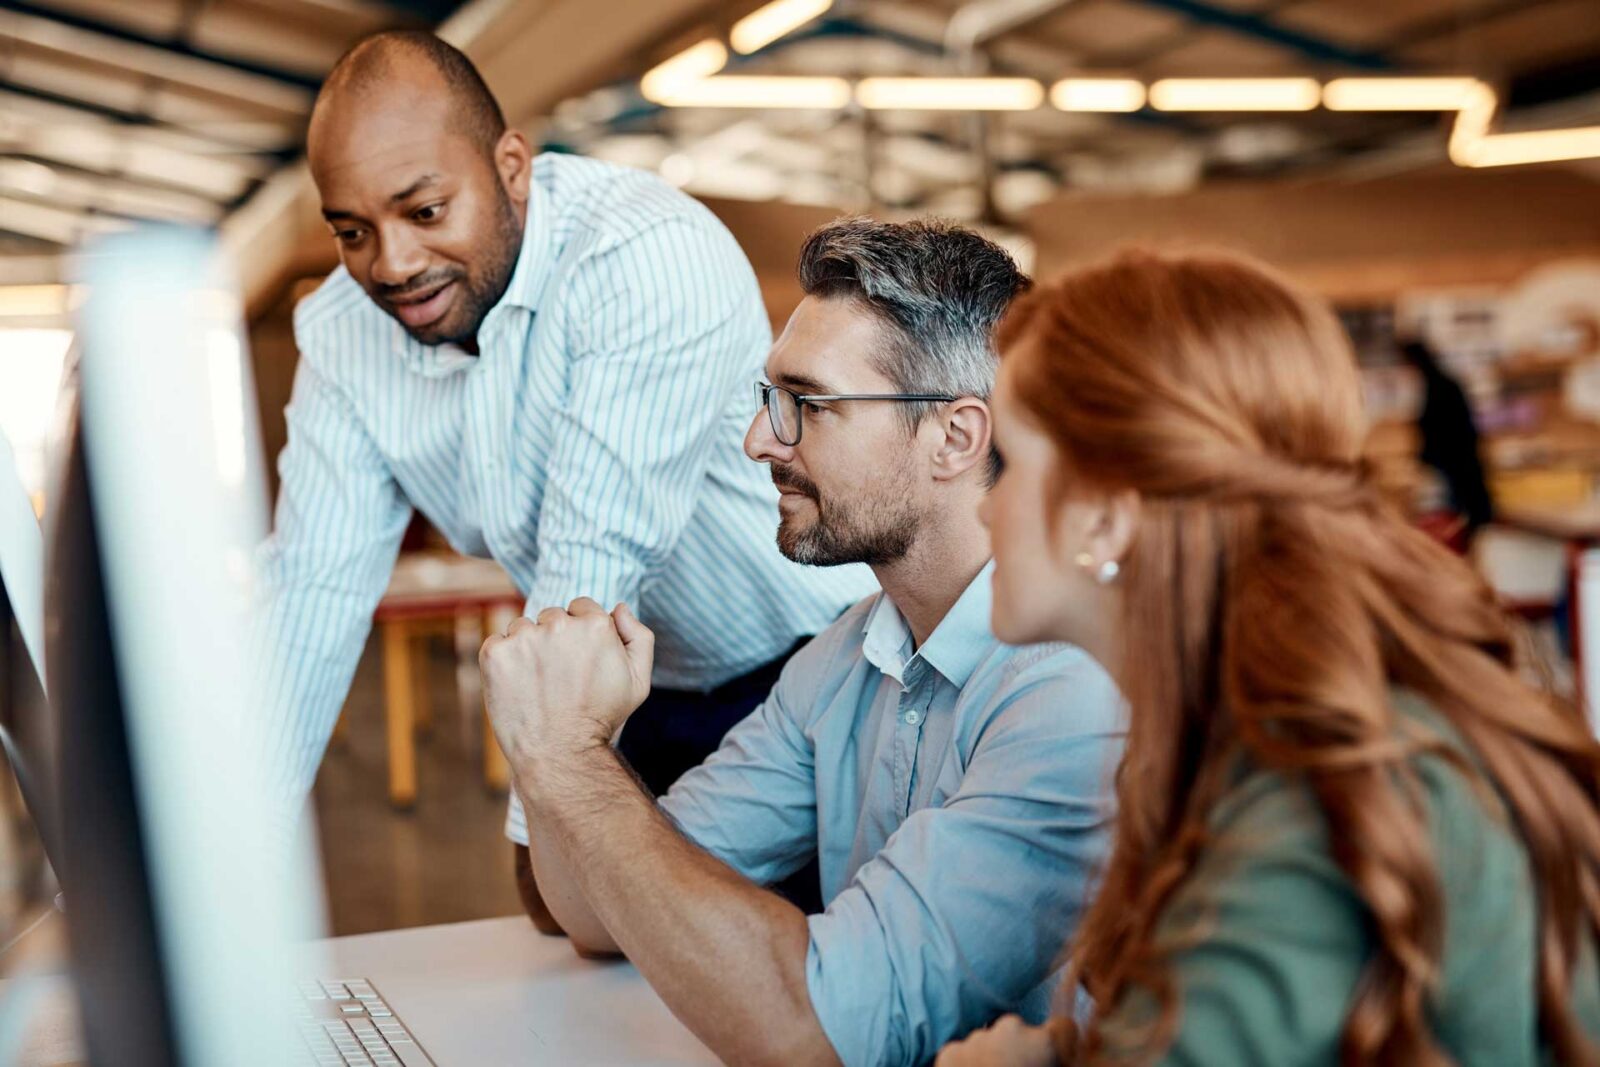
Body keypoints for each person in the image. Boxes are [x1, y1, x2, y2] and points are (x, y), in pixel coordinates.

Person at [479, 218, 1124, 1066]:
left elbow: (817, 1031)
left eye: (808, 405)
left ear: (956, 438)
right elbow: (596, 916)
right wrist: (557, 740)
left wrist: (569, 759)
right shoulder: (842, 661)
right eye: (768, 400)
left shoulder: (1072, 692)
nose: (761, 441)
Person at [937, 249, 1600, 1065]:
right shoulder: (1299, 736)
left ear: (1105, 518)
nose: (983, 501)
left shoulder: (1313, 809)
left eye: (1006, 462)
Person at [252, 30, 871, 897]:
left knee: (798, 980)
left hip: (809, 670)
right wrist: (210, 864)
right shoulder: (341, 334)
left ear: (511, 166)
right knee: (627, 993)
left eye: (426, 211)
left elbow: (591, 560)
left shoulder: (642, 254)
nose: (390, 264)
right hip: (638, 692)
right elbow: (310, 595)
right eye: (353, 232)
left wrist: (541, 834)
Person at [1400, 338, 1494, 547]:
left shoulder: (1437, 386)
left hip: (1453, 458)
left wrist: (1425, 455)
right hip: (1458, 456)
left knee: (1458, 512)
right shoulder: (1443, 382)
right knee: (1462, 509)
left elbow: (1437, 427)